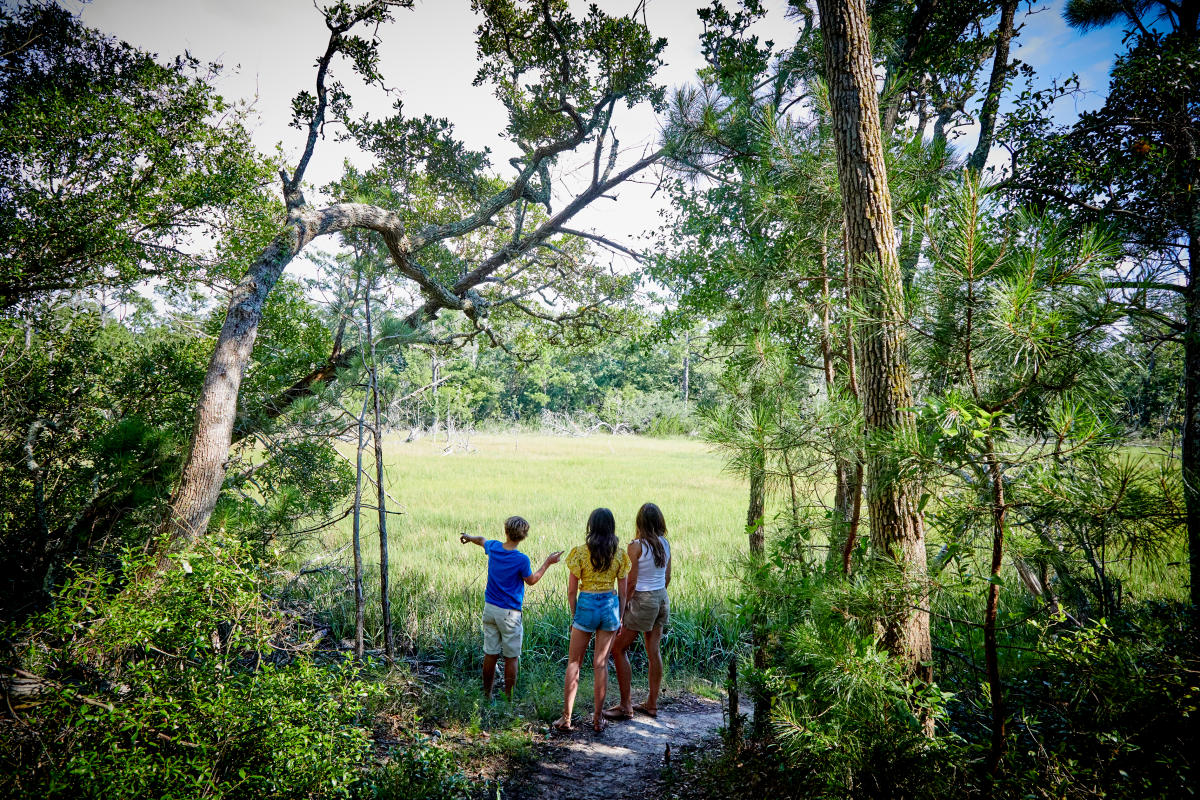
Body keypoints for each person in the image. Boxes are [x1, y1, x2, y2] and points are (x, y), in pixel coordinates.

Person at [460, 516, 562, 700]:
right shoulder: (521, 559)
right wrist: (548, 562)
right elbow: (531, 581)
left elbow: (481, 540)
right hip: (510, 614)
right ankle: (508, 700)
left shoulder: (494, 547)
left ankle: (487, 695)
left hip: (490, 609)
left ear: (505, 531)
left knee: (490, 653)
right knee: (511, 657)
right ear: (524, 536)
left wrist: (468, 536)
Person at [553, 507, 630, 733]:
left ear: (591, 527)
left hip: (586, 605)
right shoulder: (620, 554)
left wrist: (575, 615)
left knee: (574, 662)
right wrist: (620, 618)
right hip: (609, 607)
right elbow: (623, 592)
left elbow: (571, 591)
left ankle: (566, 718)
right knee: (601, 664)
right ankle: (598, 719)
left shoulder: (579, 553)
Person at [604, 502, 671, 722]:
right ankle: (651, 704)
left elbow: (630, 583)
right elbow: (667, 578)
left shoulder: (636, 546)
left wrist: (622, 611)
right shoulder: (665, 544)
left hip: (643, 600)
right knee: (654, 651)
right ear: (659, 521)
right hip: (661, 597)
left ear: (639, 523)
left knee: (618, 648)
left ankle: (626, 706)